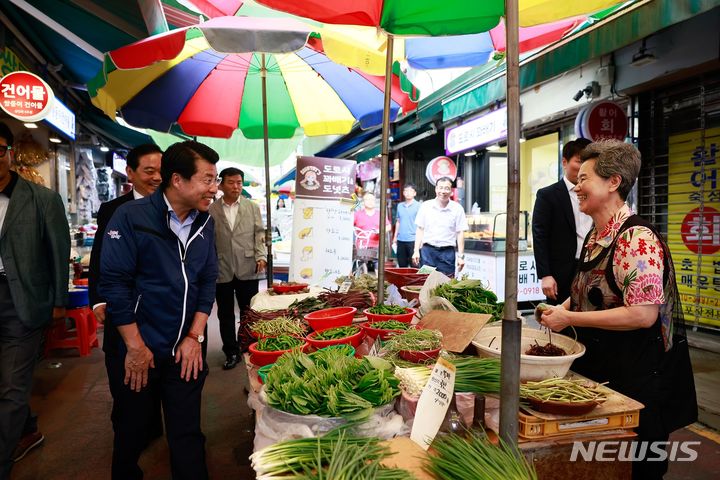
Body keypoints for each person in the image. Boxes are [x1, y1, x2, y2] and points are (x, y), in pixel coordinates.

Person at [539, 140, 697, 479]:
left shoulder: (636, 239)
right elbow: (587, 289)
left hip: (637, 383)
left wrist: (570, 318)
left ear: (613, 183)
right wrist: (560, 310)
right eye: (577, 179)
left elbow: (643, 314)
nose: (577, 187)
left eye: (585, 179)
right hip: (603, 376)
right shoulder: (596, 235)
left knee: (633, 468)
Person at [99, 140, 219, 480]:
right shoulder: (131, 217)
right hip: (142, 347)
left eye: (215, 179)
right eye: (208, 179)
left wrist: (195, 336)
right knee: (132, 429)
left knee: (187, 431)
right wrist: (135, 347)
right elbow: (115, 286)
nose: (214, 188)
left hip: (186, 349)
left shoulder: (205, 223)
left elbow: (207, 280)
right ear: (178, 180)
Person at [0, 122, 70, 478]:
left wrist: (59, 301)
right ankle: (26, 428)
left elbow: (58, 251)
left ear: (9, 153)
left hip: (22, 300)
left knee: (13, 384)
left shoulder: (41, 198)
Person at [87, 144, 164, 446]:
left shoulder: (173, 209)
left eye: (162, 171)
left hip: (159, 310)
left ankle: (152, 427)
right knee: (123, 375)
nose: (157, 177)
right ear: (130, 173)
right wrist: (99, 299)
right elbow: (98, 258)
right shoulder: (112, 210)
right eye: (149, 171)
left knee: (156, 373)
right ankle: (127, 434)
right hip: (122, 306)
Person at [208, 167, 266, 370]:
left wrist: (261, 255)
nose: (236, 186)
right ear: (221, 184)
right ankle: (230, 351)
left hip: (248, 265)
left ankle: (248, 346)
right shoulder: (211, 209)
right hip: (221, 267)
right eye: (231, 182)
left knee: (248, 311)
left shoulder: (252, 207)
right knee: (224, 313)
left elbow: (259, 233)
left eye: (239, 182)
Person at [532, 138, 592, 304]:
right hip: (561, 273)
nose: (583, 168)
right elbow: (539, 235)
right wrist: (545, 275)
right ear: (564, 162)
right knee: (560, 323)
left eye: (588, 162)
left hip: (592, 267)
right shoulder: (547, 195)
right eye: (579, 161)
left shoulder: (597, 194)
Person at [411, 177, 468, 275]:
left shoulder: (457, 209)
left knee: (446, 284)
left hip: (447, 253)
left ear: (451, 191)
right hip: (427, 252)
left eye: (447, 188)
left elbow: (460, 233)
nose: (443, 191)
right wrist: (416, 251)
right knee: (425, 282)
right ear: (436, 189)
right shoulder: (425, 206)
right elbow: (420, 229)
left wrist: (461, 256)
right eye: (440, 188)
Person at [353, 192, 390, 273]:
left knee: (377, 266)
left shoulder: (380, 214)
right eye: (367, 199)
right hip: (362, 245)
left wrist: (380, 231)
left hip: (376, 244)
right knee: (361, 264)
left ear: (375, 201)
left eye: (372, 200)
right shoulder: (357, 214)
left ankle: (378, 283)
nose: (370, 201)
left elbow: (388, 226)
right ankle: (363, 279)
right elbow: (349, 224)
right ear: (363, 201)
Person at [392, 183, 420, 267]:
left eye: (411, 191)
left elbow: (421, 225)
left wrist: (421, 240)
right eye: (406, 191)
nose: (408, 193)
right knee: (402, 265)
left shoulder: (419, 206)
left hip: (413, 239)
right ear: (403, 193)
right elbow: (398, 221)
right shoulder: (400, 206)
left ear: (415, 193)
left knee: (415, 266)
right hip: (401, 240)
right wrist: (395, 237)